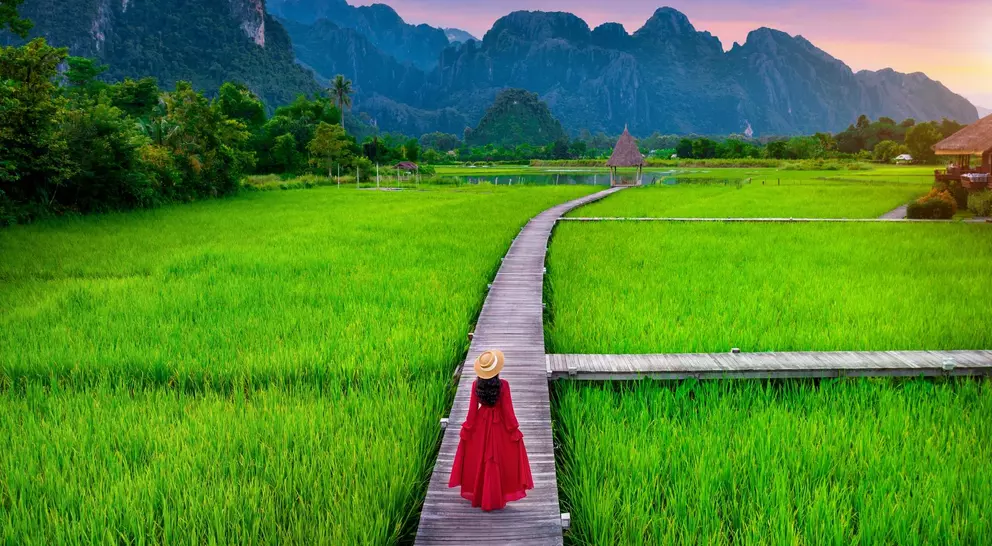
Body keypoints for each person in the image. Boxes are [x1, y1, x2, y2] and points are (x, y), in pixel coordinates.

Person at [448, 349, 534, 511]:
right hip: (499, 424)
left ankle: (481, 495)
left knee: (480, 458)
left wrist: (467, 429)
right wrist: (514, 429)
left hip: (481, 424)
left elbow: (472, 412)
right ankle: (494, 495)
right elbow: (508, 412)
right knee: (496, 459)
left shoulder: (476, 385)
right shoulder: (504, 386)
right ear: (497, 369)